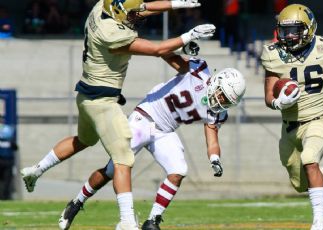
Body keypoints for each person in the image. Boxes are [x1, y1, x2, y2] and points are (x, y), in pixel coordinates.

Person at [20, 0, 216, 229]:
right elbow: (156, 50)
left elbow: (142, 7)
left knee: (83, 140)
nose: (137, 17)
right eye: (132, 15)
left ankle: (36, 170)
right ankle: (126, 221)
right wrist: (187, 36)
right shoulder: (112, 33)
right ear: (121, 14)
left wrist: (176, 4)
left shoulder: (103, 7)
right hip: (102, 102)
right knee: (123, 159)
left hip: (86, 94)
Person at [57, 51, 246, 230]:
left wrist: (214, 159)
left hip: (165, 131)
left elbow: (212, 138)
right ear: (217, 82)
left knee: (179, 170)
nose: (221, 101)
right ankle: (76, 202)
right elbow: (167, 55)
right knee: (111, 170)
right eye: (222, 95)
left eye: (227, 101)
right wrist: (183, 45)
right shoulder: (198, 71)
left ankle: (153, 220)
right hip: (144, 118)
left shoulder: (216, 112)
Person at [261, 4, 323, 230]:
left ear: (309, 28)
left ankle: (319, 222)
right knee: (299, 183)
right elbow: (268, 95)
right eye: (285, 31)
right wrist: (278, 102)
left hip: (318, 120)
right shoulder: (273, 54)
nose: (289, 36)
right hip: (289, 128)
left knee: (309, 159)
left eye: (295, 30)